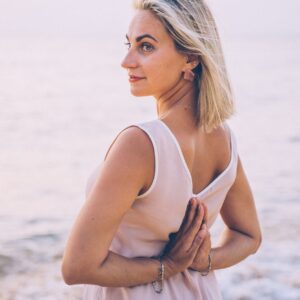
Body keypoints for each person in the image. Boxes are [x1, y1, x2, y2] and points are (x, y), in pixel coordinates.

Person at [61, 0, 262, 299]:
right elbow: (249, 236)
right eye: (129, 44)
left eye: (146, 47)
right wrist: (204, 261)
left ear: (191, 57)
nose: (126, 60)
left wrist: (166, 266)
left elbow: (76, 267)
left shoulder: (141, 144)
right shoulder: (225, 140)